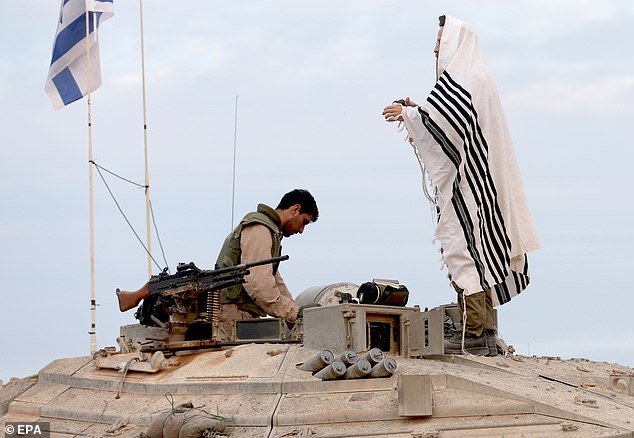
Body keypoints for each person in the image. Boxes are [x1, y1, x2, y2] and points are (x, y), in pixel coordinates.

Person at [382, 15, 540, 356]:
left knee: (466, 253)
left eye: (441, 41)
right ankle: (482, 330)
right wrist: (417, 110)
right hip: (471, 182)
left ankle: (476, 333)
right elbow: (448, 119)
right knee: (473, 253)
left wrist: (410, 115)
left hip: (471, 187)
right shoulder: (472, 76)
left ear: (456, 42)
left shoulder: (468, 77)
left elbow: (448, 122)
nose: (436, 48)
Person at [215, 189, 319, 333]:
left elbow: (273, 278)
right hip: (234, 315)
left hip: (242, 315)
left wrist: (296, 311)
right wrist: (294, 312)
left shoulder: (269, 231)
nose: (301, 230)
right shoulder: (260, 228)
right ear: (296, 209)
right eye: (304, 222)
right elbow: (258, 282)